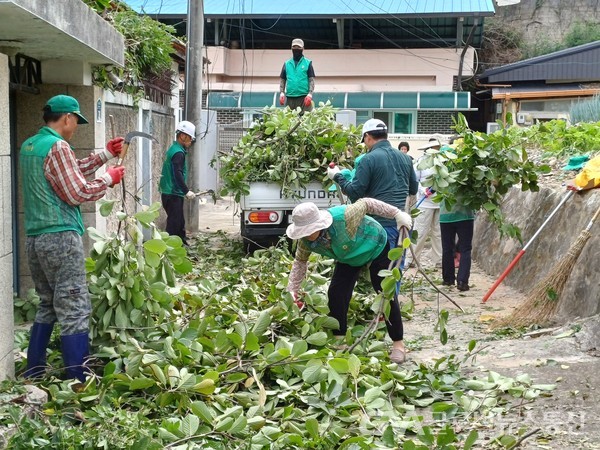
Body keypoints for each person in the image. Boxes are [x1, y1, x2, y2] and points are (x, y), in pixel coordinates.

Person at [21, 94, 125, 382]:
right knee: (75, 307)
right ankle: (78, 381)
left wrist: (104, 155)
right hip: (61, 238)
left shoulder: (30, 145)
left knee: (47, 304)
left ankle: (34, 371)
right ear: (67, 118)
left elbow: (67, 174)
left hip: (35, 238)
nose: (76, 125)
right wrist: (109, 179)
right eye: (77, 120)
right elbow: (77, 192)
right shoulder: (58, 146)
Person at [286, 198, 412, 363]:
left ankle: (398, 344)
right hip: (348, 257)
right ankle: (340, 340)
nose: (308, 235)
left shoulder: (345, 217)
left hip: (375, 245)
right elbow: (300, 263)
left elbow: (367, 203)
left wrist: (397, 214)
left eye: (310, 230)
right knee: (336, 293)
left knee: (385, 293)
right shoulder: (305, 242)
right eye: (304, 232)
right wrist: (292, 291)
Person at [328, 118, 418, 252]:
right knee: (395, 269)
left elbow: (355, 193)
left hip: (380, 227)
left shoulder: (368, 159)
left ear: (368, 136)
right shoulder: (405, 158)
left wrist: (337, 176)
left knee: (378, 270)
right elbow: (414, 189)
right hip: (402, 224)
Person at [405, 137, 443, 268]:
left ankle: (438, 260)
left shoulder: (443, 162)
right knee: (420, 231)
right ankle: (411, 259)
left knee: (438, 233)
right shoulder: (420, 163)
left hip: (440, 202)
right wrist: (423, 189)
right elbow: (415, 181)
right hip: (425, 202)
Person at [159, 121, 197, 245]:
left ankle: (183, 246)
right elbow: (177, 174)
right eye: (190, 138)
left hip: (170, 192)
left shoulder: (174, 149)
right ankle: (168, 252)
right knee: (173, 225)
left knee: (180, 222)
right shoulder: (178, 153)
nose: (191, 141)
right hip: (173, 193)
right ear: (182, 136)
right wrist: (186, 191)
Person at [440, 200, 475, 291]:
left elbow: (435, 188)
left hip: (445, 215)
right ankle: (462, 281)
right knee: (465, 249)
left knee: (447, 248)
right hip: (464, 215)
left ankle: (448, 279)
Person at [279, 38, 315, 112]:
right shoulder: (287, 64)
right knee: (290, 120)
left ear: (303, 48)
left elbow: (311, 80)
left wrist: (310, 94)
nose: (296, 49)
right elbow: (283, 79)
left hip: (304, 98)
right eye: (294, 47)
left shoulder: (307, 63)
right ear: (291, 48)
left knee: (305, 119)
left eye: (298, 47)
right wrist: (282, 93)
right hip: (290, 98)